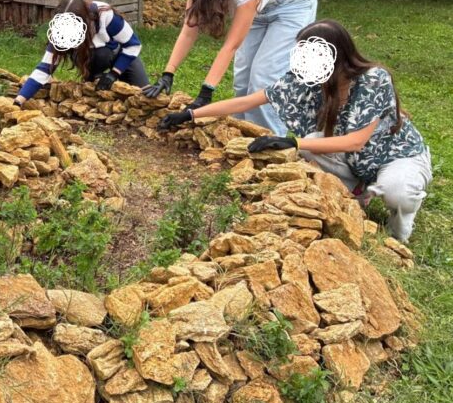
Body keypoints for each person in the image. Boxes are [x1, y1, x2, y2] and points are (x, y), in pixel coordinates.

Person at [159, 20, 430, 242]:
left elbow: (356, 141)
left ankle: (398, 232)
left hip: (395, 156)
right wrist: (191, 113)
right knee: (311, 142)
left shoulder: (372, 79)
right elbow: (249, 100)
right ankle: (359, 191)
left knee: (397, 191)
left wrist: (292, 142)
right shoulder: (311, 79)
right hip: (352, 160)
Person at [143, 0, 317, 135]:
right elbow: (188, 32)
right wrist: (167, 74)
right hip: (260, 5)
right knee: (242, 78)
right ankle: (242, 135)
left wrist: (205, 94)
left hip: (294, 3)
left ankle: (268, 141)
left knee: (263, 76)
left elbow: (230, 46)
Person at [15, 0, 148, 105]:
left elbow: (133, 45)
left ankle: (111, 76)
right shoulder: (61, 29)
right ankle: (92, 79)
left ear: (86, 21)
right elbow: (44, 68)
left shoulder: (105, 15)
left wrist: (114, 73)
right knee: (100, 55)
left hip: (119, 52)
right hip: (91, 57)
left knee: (144, 94)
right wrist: (19, 100)